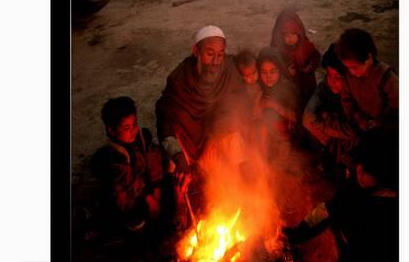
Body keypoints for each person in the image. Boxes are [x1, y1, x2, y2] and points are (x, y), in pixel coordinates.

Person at [285, 130, 399, 262]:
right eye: (360, 163)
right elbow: (329, 209)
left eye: (368, 170)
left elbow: (364, 257)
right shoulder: (355, 184)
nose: (359, 170)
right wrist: (298, 233)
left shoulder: (390, 217)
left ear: (384, 174)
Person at [155, 25, 245, 180]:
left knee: (234, 141)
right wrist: (178, 155)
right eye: (210, 54)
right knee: (173, 162)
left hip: (217, 135)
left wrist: (214, 136)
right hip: (191, 139)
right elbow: (165, 118)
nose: (215, 61)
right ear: (196, 51)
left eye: (220, 54)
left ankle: (239, 186)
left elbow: (235, 107)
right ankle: (181, 197)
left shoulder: (229, 71)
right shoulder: (179, 79)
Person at [91, 97, 164, 234]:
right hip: (129, 194)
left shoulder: (141, 138)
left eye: (134, 124)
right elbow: (129, 184)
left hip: (146, 186)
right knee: (132, 211)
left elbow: (153, 157)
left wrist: (156, 187)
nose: (133, 130)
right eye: (126, 128)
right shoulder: (114, 157)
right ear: (112, 131)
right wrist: (150, 200)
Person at [303, 43, 361, 166]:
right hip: (332, 140)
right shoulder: (325, 87)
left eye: (338, 77)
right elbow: (308, 118)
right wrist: (331, 143)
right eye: (329, 75)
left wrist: (326, 121)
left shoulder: (359, 94)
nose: (332, 82)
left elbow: (355, 130)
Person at [335, 28, 398, 134]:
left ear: (369, 57)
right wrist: (358, 118)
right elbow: (346, 100)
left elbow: (397, 106)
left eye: (355, 67)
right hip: (360, 123)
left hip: (385, 128)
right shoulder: (349, 77)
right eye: (348, 67)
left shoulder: (387, 78)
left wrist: (380, 122)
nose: (351, 72)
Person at [257, 46, 300, 160]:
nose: (268, 77)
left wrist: (276, 107)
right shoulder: (259, 88)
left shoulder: (287, 89)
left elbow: (296, 119)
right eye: (263, 72)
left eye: (273, 71)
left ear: (280, 70)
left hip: (286, 137)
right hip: (265, 137)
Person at [270, 9, 321, 107]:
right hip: (288, 89)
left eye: (293, 34)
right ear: (280, 35)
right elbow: (273, 64)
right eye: (286, 35)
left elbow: (316, 56)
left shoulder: (305, 45)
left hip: (306, 85)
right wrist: (284, 71)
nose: (290, 38)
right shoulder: (278, 50)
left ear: (299, 32)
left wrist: (308, 67)